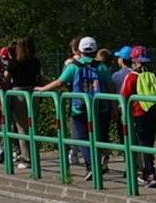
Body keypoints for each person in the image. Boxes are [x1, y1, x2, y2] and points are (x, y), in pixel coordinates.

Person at [36, 36, 110, 181]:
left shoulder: (74, 66)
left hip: (79, 107)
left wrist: (42, 89)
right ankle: (100, 158)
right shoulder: (102, 67)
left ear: (80, 50)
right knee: (98, 136)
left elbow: (59, 82)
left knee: (82, 137)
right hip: (99, 107)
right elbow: (109, 86)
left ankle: (91, 165)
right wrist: (113, 106)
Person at [120, 46, 156, 188]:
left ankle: (149, 173)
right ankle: (148, 172)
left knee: (142, 142)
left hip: (138, 112)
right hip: (154, 111)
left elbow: (124, 96)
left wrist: (122, 112)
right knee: (149, 141)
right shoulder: (155, 75)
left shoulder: (132, 76)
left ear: (134, 60)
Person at [4, 36, 42, 170]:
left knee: (21, 126)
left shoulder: (15, 62)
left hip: (18, 92)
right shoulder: (36, 61)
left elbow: (6, 77)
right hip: (33, 92)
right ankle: (35, 154)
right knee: (32, 124)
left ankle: (26, 157)